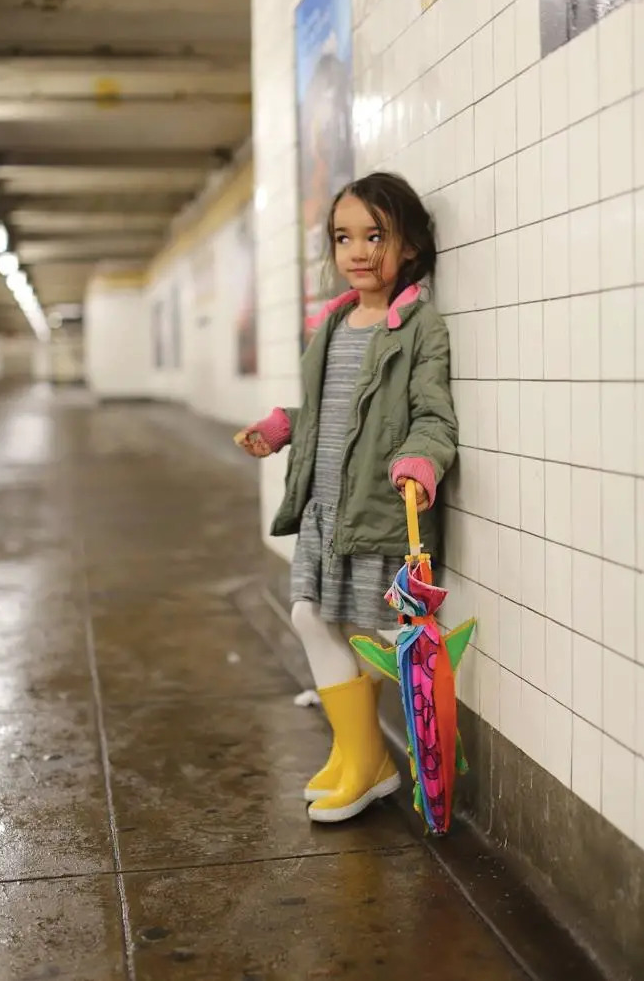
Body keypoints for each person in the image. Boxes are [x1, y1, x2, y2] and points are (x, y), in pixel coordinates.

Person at [236, 172, 458, 824]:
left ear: (409, 246)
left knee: (362, 632)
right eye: (344, 237)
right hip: (323, 504)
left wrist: (421, 461)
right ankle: (359, 755)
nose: (357, 251)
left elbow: (433, 416)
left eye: (375, 236)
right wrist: (281, 426)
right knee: (308, 616)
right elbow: (328, 411)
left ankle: (364, 762)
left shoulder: (418, 327)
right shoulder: (331, 322)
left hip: (375, 509)